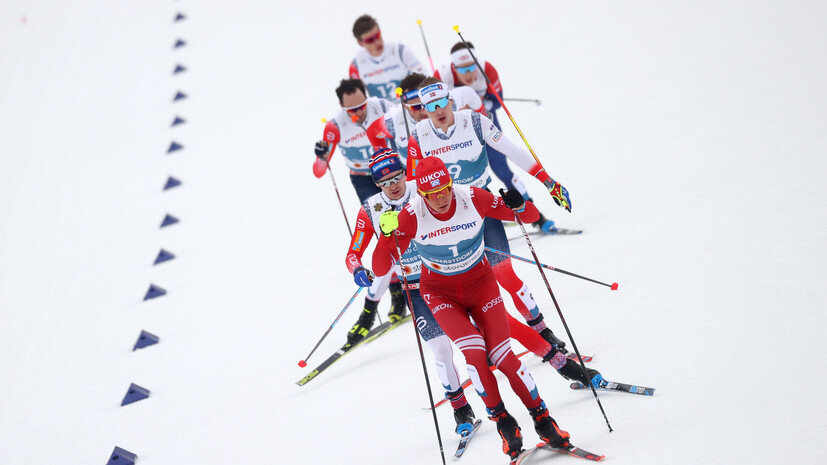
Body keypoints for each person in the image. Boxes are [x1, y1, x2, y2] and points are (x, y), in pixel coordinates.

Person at [372, 157, 573, 461]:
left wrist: (519, 205)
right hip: (440, 293)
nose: (440, 198)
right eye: (431, 194)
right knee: (476, 354)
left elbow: (529, 216)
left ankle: (544, 421)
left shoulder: (472, 197)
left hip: (481, 286)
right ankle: (505, 424)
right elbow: (379, 268)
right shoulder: (411, 215)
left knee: (503, 356)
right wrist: (387, 237)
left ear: (450, 184)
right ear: (421, 194)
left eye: (444, 189)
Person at [406, 79, 571, 350]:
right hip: (446, 216)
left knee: (503, 273)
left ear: (450, 100)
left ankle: (542, 330)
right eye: (431, 106)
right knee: (464, 284)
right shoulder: (419, 136)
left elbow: (512, 150)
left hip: (481, 204)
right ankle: (485, 342)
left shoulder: (474, 121)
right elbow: (414, 183)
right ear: (423, 109)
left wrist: (547, 181)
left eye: (442, 102)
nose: (438, 110)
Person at [344, 149, 476, 435]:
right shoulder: (370, 209)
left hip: (448, 274)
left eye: (397, 177)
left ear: (405, 172)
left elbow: (464, 206)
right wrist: (358, 270)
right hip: (414, 287)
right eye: (385, 182)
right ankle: (461, 410)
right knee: (441, 348)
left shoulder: (425, 189)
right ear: (376, 184)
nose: (393, 185)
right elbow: (353, 253)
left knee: (476, 340)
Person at [435, 43, 556, 232]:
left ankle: (536, 216)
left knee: (501, 169)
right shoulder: (442, 76)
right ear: (453, 67)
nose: (469, 73)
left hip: (485, 118)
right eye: (463, 69)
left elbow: (498, 101)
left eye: (472, 67)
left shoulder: (487, 70)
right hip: (459, 128)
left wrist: (478, 105)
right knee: (464, 175)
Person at [366, 73, 484, 161]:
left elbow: (469, 93)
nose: (425, 111)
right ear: (405, 106)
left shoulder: (446, 102)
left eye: (429, 104)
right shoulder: (393, 120)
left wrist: (483, 117)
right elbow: (372, 132)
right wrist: (386, 157)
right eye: (417, 107)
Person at [313, 78, 392, 204]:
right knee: (380, 213)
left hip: (390, 169)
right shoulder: (335, 126)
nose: (359, 112)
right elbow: (319, 172)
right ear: (342, 106)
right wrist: (321, 157)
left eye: (362, 106)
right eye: (353, 110)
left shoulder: (382, 107)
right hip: (363, 178)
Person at [349, 15, 425, 100]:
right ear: (361, 43)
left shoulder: (400, 51)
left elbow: (424, 77)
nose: (377, 42)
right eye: (370, 40)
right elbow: (355, 99)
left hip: (409, 104)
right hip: (382, 108)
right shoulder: (356, 65)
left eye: (377, 35)